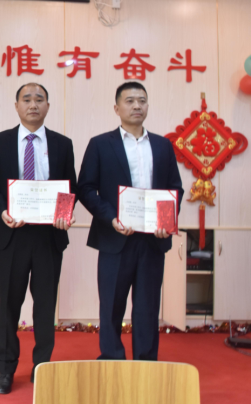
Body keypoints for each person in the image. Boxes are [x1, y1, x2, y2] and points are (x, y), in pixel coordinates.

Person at [0, 83, 77, 394]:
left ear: (48, 106)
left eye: (39, 99)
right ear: (16, 105)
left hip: (49, 236)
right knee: (9, 305)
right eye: (27, 99)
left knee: (45, 306)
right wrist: (2, 211)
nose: (33, 104)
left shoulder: (62, 144)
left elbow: (70, 186)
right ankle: (6, 369)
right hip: (12, 234)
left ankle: (41, 367)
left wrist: (63, 213)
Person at [77, 81, 183, 361]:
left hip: (153, 240)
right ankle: (112, 360)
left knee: (147, 307)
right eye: (130, 101)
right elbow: (85, 188)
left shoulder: (163, 145)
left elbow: (175, 188)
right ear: (117, 108)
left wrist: (166, 221)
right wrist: (111, 218)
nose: (137, 106)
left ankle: (145, 364)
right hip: (115, 237)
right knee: (111, 305)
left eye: (142, 101)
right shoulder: (100, 144)